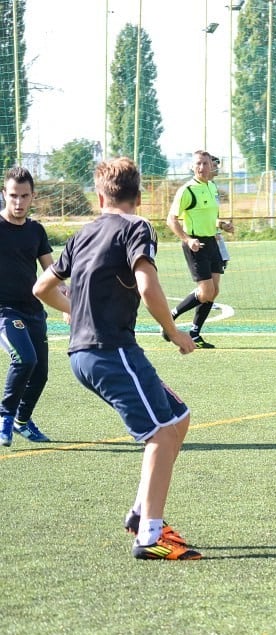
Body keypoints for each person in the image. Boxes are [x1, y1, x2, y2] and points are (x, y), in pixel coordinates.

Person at [33, 157, 202, 561]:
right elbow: (147, 284)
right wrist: (173, 331)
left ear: (99, 197)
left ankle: (141, 511)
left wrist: (73, 312)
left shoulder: (84, 233)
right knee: (161, 435)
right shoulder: (136, 226)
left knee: (177, 418)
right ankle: (151, 536)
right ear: (139, 197)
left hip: (83, 354)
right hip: (111, 351)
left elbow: (41, 288)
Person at [0, 167, 53, 447]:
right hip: (5, 311)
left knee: (40, 373)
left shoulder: (36, 230)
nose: (18, 202)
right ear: (3, 195)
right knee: (24, 359)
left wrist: (68, 303)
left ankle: (22, 420)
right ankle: (5, 416)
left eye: (24, 196)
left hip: (34, 310)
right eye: (12, 196)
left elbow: (51, 272)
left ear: (33, 196)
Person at [166, 149, 233, 348]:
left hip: (212, 242)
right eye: (198, 164)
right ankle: (171, 316)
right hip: (196, 245)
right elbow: (171, 220)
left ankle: (195, 333)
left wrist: (222, 224)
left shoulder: (212, 187)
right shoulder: (187, 190)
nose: (202, 167)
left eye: (205, 163)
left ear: (212, 165)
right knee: (205, 293)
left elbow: (210, 217)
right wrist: (188, 240)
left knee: (214, 291)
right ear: (192, 166)